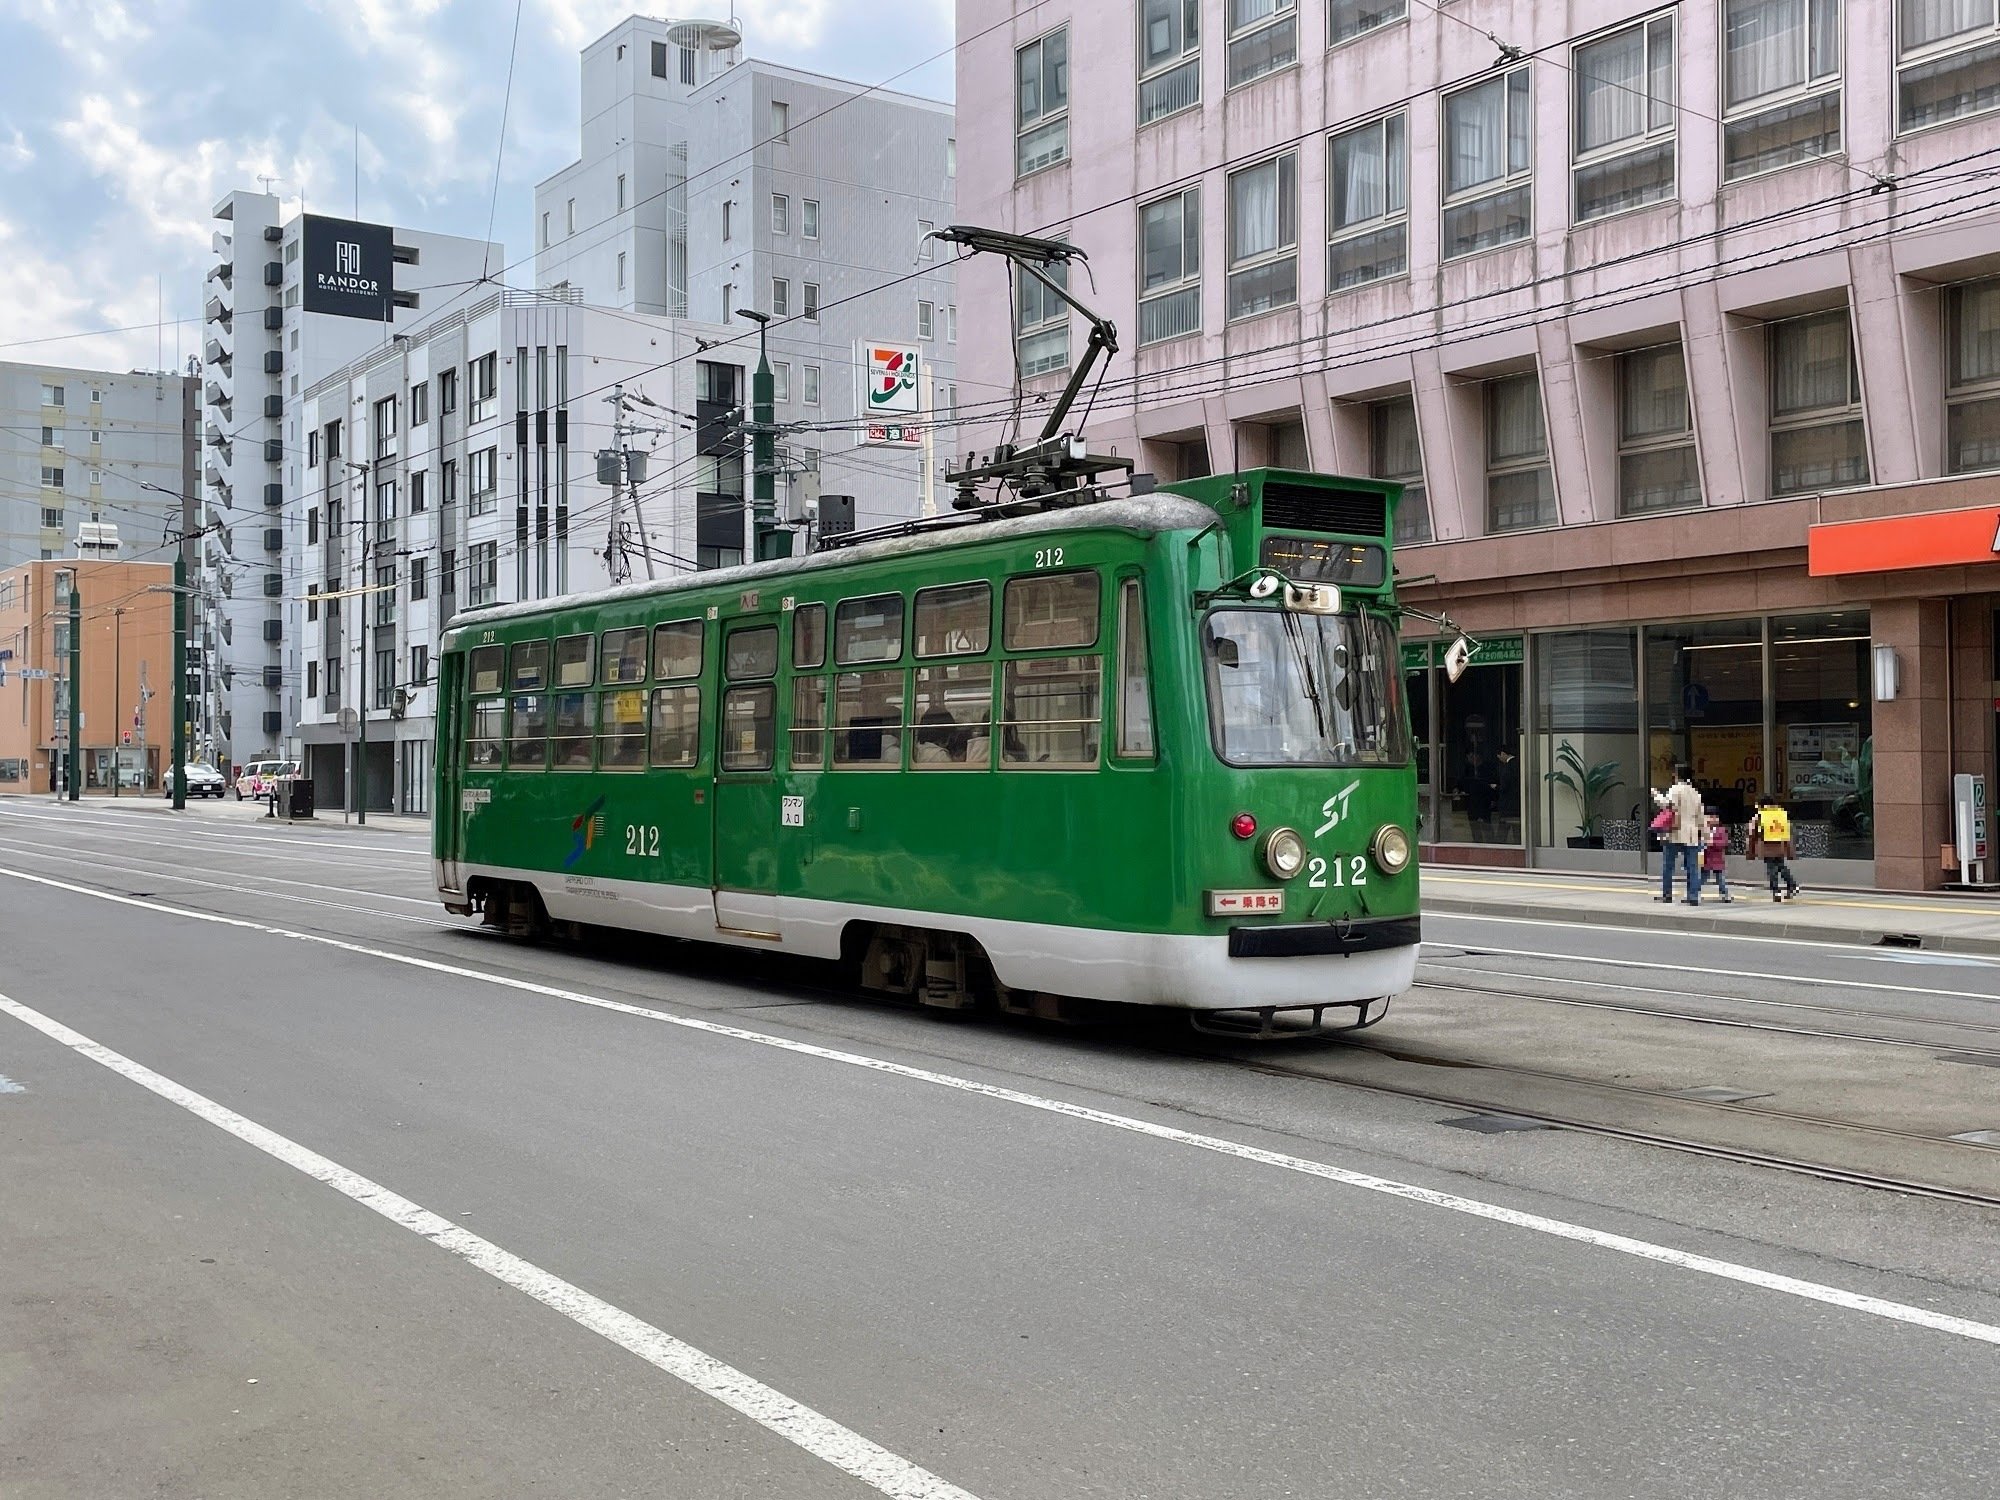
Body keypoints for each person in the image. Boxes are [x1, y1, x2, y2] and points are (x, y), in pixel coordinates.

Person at [1653, 764, 1705, 905]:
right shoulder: (1695, 792)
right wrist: (1704, 834)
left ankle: (1667, 894)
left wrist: (1656, 795)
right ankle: (1693, 896)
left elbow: (1667, 805)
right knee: (1692, 866)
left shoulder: (1676, 789)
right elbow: (1701, 817)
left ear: (1676, 775)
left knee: (1668, 865)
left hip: (1675, 832)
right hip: (1691, 833)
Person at [1749, 791, 1802, 902]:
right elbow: (1788, 831)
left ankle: (1776, 891)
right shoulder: (1781, 814)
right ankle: (1792, 885)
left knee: (1771, 869)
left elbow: (1753, 833)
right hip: (1781, 845)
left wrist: (1751, 851)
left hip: (1767, 847)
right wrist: (1790, 850)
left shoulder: (1760, 815)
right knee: (1781, 866)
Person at [1699, 806, 1735, 904]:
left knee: (1720, 878)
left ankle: (1724, 894)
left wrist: (1713, 843)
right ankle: (1695, 892)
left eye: (1715, 817)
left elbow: (1724, 842)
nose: (1713, 819)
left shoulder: (1721, 830)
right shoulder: (1702, 829)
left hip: (1717, 858)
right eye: (1710, 816)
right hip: (1705, 858)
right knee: (1702, 877)